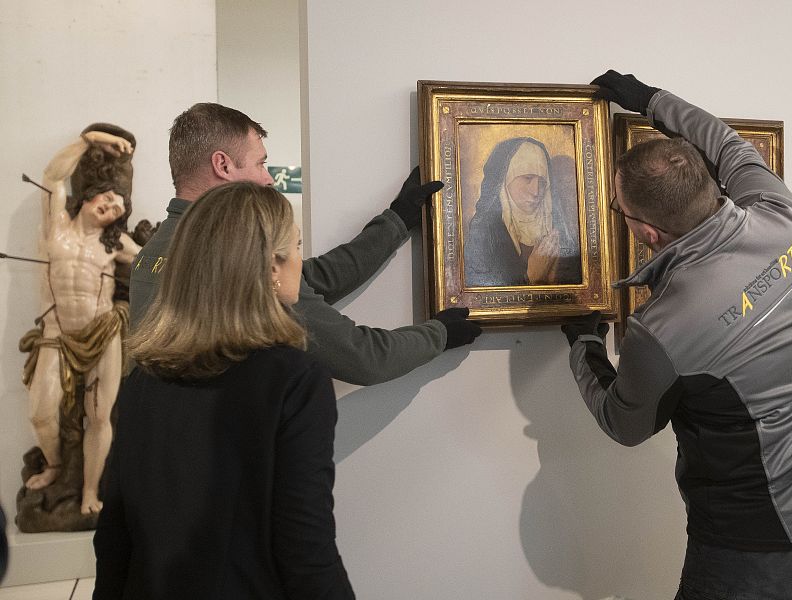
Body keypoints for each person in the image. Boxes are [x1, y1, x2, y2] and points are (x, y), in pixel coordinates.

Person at [562, 71, 792, 599]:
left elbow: (625, 423)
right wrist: (651, 99)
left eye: (620, 209)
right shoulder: (784, 217)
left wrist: (584, 347)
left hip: (759, 546)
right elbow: (727, 143)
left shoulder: (664, 325)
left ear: (646, 232)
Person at [94, 182, 355, 599]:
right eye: (297, 246)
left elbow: (113, 540)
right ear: (272, 267)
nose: (300, 261)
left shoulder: (143, 378)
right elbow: (306, 550)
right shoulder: (292, 379)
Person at [129, 103, 481, 385]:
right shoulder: (232, 257)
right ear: (222, 165)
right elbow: (361, 356)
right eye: (261, 163)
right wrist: (439, 334)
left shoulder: (153, 251)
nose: (268, 179)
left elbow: (313, 278)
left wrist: (397, 219)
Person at [22, 125, 140, 515]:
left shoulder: (114, 243)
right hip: (57, 333)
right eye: (108, 199)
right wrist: (92, 140)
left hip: (102, 330)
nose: (112, 207)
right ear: (89, 198)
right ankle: (55, 466)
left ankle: (90, 491)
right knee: (41, 412)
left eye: (118, 208)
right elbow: (53, 177)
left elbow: (151, 264)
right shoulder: (56, 228)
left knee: (100, 415)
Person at [464, 136, 580, 287]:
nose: (536, 191)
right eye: (528, 178)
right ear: (506, 179)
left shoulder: (558, 230)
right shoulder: (483, 232)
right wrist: (532, 277)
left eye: (542, 182)